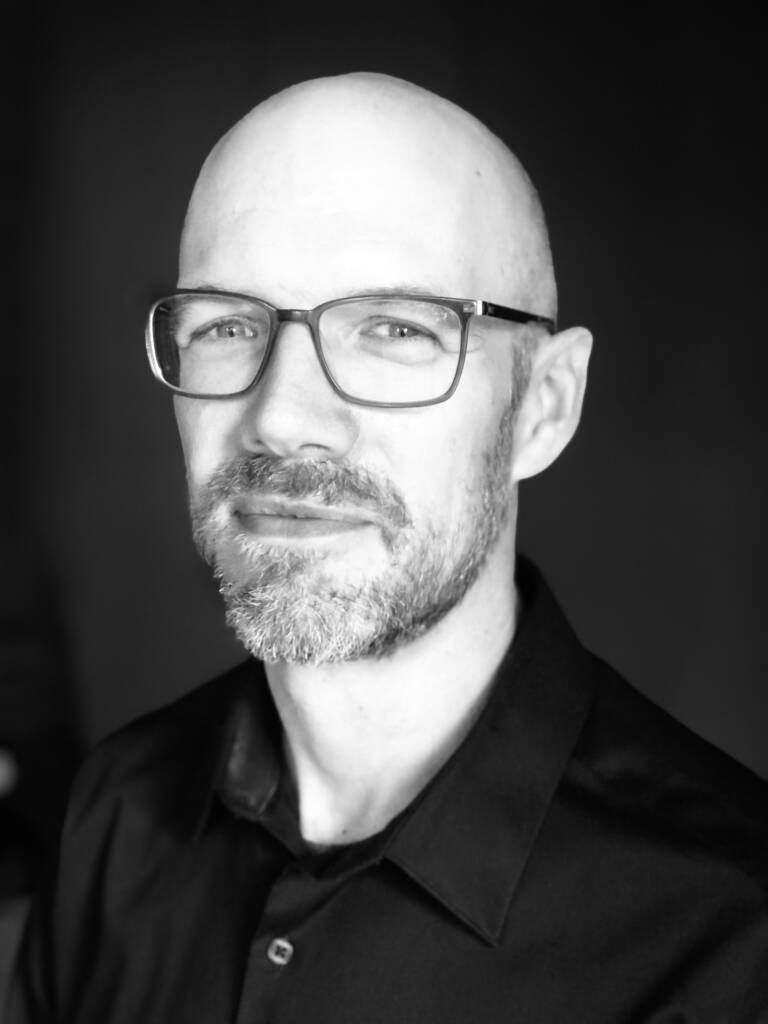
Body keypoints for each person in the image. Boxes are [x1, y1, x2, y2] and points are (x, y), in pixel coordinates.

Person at [7, 72, 768, 1023]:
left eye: (395, 330)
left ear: (545, 405)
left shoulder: (735, 938)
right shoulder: (113, 815)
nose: (281, 418)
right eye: (229, 325)